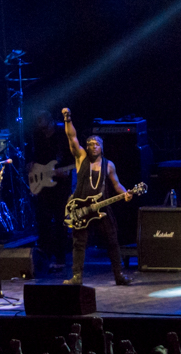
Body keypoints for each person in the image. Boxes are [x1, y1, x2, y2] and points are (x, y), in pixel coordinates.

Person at [61, 107, 132, 286]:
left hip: (101, 207)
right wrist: (67, 119)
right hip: (81, 208)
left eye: (97, 144)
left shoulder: (109, 165)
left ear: (102, 147)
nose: (93, 147)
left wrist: (126, 194)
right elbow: (72, 138)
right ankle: (77, 277)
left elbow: (117, 185)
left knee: (113, 241)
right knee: (79, 244)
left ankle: (119, 276)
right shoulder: (81, 157)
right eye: (90, 144)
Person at [27, 110, 73, 271]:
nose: (39, 124)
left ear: (50, 120)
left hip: (61, 184)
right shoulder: (37, 135)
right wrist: (31, 163)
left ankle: (60, 258)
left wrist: (65, 171)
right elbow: (33, 155)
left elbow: (72, 157)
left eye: (41, 120)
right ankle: (45, 253)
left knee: (61, 219)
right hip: (43, 183)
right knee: (42, 218)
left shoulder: (62, 134)